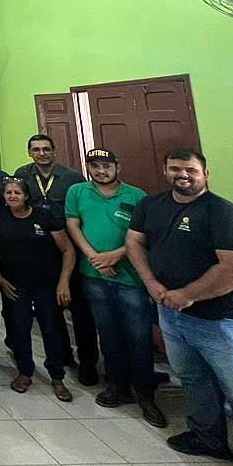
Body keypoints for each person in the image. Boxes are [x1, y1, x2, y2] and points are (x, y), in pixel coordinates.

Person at [126, 148, 233, 461]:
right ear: (165, 172)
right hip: (170, 313)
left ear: (205, 174)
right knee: (193, 378)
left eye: (190, 170)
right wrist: (151, 283)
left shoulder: (223, 213)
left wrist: (188, 294)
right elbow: (134, 242)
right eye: (175, 169)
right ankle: (209, 440)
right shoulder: (151, 205)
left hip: (220, 320)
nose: (183, 175)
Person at [66, 149, 165, 427]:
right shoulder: (78, 192)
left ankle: (146, 394)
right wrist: (94, 257)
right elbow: (73, 226)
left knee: (138, 336)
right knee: (107, 334)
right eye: (95, 166)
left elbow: (145, 236)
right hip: (93, 274)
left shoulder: (137, 196)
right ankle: (118, 386)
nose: (101, 171)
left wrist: (116, 255)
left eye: (106, 166)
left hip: (130, 276)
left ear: (117, 167)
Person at [15, 134, 98, 386]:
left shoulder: (72, 178)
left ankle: (88, 363)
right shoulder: (22, 174)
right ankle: (62, 355)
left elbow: (83, 210)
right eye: (36, 149)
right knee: (49, 310)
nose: (41, 153)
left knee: (80, 310)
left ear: (54, 151)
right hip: (39, 252)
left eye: (46, 149)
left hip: (68, 247)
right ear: (30, 152)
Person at [0, 178, 74, 403]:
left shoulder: (43, 216)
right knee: (19, 326)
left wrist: (64, 282)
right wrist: (0, 278)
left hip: (47, 284)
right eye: (8, 192)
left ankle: (57, 376)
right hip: (15, 283)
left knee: (51, 327)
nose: (12, 196)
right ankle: (25, 371)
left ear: (26, 196)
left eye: (17, 192)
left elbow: (67, 250)